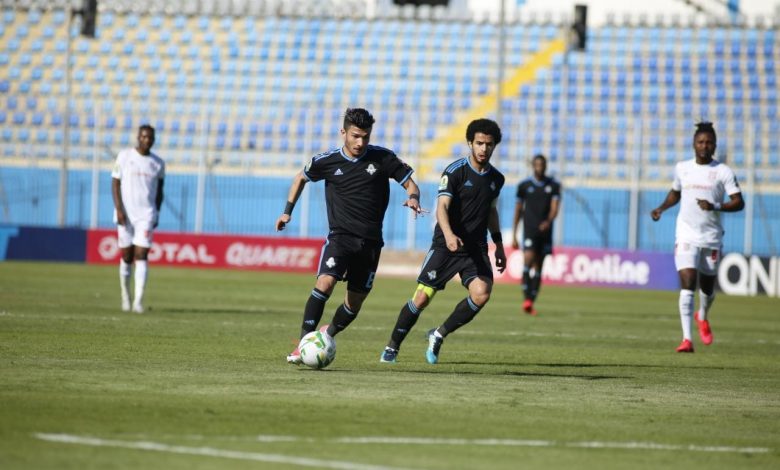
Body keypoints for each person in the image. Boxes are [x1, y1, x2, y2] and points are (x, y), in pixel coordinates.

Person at [276, 108, 425, 364]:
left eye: (365, 137)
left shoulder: (383, 158)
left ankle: (328, 334)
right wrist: (287, 212)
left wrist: (413, 198)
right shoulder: (327, 161)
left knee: (353, 304)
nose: (360, 142)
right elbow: (300, 179)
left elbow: (412, 184)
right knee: (324, 284)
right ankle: (304, 345)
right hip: (340, 237)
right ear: (343, 132)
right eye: (355, 136)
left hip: (370, 242)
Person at [380, 118, 506, 364]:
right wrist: (448, 235)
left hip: (475, 248)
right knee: (422, 298)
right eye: (479, 143)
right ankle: (392, 346)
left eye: (489, 144)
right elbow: (442, 208)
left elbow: (491, 211)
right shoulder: (454, 171)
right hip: (445, 245)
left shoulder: (496, 179)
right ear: (470, 143)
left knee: (482, 293)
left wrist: (498, 245)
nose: (483, 149)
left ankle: (438, 334)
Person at [651, 122, 744, 353]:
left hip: (711, 236)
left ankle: (702, 315)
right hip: (686, 233)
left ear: (715, 145)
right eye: (701, 141)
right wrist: (661, 208)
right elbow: (676, 192)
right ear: (694, 144)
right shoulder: (682, 168)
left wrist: (715, 205)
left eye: (709, 142)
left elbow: (739, 202)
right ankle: (687, 339)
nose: (704, 145)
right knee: (688, 282)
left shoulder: (723, 171)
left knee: (708, 288)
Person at [111, 124, 165, 313]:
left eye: (150, 137)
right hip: (125, 213)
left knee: (141, 254)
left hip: (146, 214)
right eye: (143, 137)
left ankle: (138, 302)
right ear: (138, 137)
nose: (146, 140)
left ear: (153, 140)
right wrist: (118, 209)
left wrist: (156, 211)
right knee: (126, 256)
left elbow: (160, 192)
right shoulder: (124, 157)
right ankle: (126, 296)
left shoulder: (158, 163)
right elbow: (115, 183)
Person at [511, 154, 561, 316]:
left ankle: (531, 301)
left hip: (545, 231)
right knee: (528, 260)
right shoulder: (524, 186)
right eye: (537, 164)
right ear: (533, 166)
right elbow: (518, 210)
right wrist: (514, 234)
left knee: (539, 266)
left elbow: (555, 208)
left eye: (542, 164)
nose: (539, 167)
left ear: (545, 166)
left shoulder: (553, 186)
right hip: (530, 230)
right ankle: (526, 299)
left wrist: (548, 221)